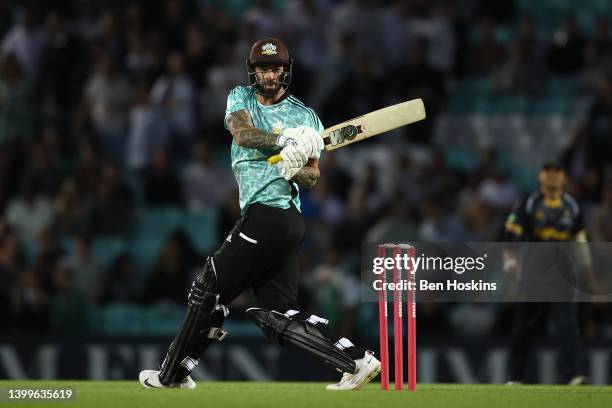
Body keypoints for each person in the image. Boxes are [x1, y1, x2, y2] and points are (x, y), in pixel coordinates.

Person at [139, 38, 380, 391]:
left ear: (286, 71)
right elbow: (241, 132)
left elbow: (312, 177)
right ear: (253, 72)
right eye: (263, 69)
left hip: (271, 216)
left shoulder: (306, 116)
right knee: (278, 315)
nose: (269, 75)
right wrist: (284, 142)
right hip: (279, 224)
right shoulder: (242, 98)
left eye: (276, 69)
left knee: (209, 289)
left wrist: (296, 165)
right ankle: (355, 361)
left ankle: (171, 375)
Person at [503, 161, 594, 385]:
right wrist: (510, 260)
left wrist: (588, 273)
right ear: (540, 175)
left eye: (557, 172)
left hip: (562, 271)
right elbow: (511, 234)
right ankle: (515, 377)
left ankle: (573, 374)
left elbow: (580, 242)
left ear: (563, 177)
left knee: (567, 324)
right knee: (525, 325)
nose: (552, 176)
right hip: (534, 270)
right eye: (548, 172)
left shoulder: (572, 205)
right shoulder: (529, 202)